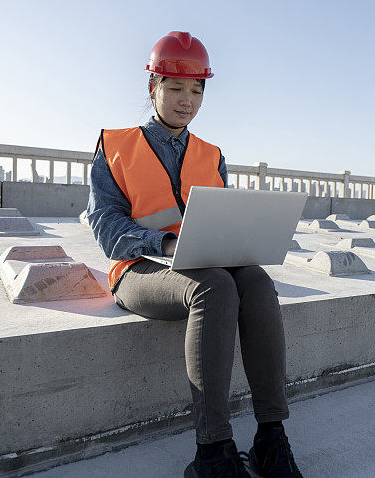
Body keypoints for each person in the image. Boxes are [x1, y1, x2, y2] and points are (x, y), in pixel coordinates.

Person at [87, 31, 303, 478]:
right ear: (154, 88)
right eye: (176, 88)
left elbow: (219, 219)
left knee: (258, 281)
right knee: (216, 286)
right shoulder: (115, 146)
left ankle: (271, 436)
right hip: (139, 270)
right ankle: (213, 451)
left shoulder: (212, 154)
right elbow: (107, 228)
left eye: (197, 89)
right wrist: (164, 244)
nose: (188, 100)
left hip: (200, 263)